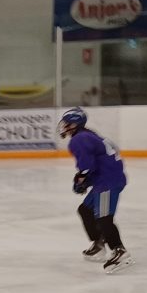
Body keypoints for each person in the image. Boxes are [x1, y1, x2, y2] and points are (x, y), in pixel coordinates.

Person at [58, 107, 133, 273]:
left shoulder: (79, 139)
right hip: (106, 179)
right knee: (85, 210)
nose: (64, 127)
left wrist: (81, 179)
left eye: (67, 124)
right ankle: (99, 245)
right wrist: (86, 179)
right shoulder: (88, 134)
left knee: (104, 217)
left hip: (107, 182)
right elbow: (99, 160)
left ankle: (120, 251)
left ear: (75, 124)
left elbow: (86, 166)